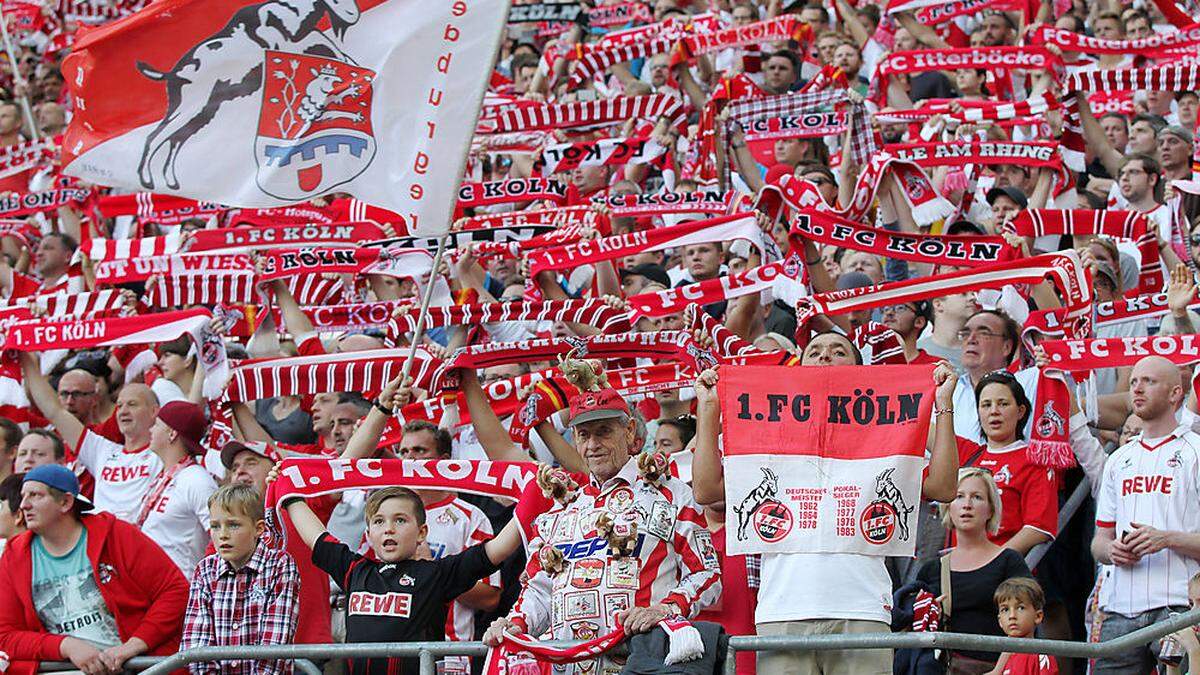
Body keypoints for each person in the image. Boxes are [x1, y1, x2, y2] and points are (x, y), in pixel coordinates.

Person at [692, 332, 960, 675]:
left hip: (862, 611)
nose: (824, 357)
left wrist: (941, 404)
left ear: (861, 370)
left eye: (838, 351)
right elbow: (706, 490)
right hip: (782, 611)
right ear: (797, 369)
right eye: (814, 352)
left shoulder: (885, 430)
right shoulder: (771, 430)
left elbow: (943, 487)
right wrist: (708, 405)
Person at [484, 361, 722, 675]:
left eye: (604, 432)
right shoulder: (560, 508)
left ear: (630, 431)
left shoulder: (673, 493)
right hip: (567, 665)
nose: (593, 444)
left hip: (641, 662)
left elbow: (708, 575)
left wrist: (664, 609)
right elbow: (540, 590)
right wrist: (515, 623)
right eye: (584, 434)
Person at [282, 482, 523, 675]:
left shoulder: (437, 573)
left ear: (422, 533)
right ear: (368, 534)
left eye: (400, 520)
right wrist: (287, 490)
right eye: (379, 521)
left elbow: (498, 549)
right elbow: (315, 536)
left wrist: (534, 496)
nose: (389, 528)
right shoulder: (354, 569)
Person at [0, 465, 189, 675]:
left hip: (132, 667)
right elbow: (6, 635)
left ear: (66, 502)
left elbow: (175, 591)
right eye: (23, 496)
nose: (24, 505)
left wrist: (133, 646)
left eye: (35, 495)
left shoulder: (116, 535)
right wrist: (66, 646)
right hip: (62, 669)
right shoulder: (14, 556)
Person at [1091, 356, 1200, 674]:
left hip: (1183, 606)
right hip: (1119, 608)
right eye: (1134, 381)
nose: (1137, 388)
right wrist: (1111, 551)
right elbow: (1099, 541)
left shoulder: (1196, 451)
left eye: (1149, 381)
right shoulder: (1118, 459)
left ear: (1175, 393)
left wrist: (1166, 538)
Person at [21, 351, 162, 522]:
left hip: (142, 541)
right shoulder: (101, 451)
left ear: (155, 411)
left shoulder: (165, 455)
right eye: (119, 405)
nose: (123, 411)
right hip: (104, 542)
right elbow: (55, 411)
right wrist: (27, 361)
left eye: (132, 404)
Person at [917, 468, 1032, 673]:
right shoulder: (931, 569)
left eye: (977, 497)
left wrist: (998, 671)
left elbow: (1025, 626)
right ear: (948, 507)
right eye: (959, 497)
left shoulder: (1009, 561)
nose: (967, 505)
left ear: (990, 509)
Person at [181, 483, 300, 675]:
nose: (223, 535)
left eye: (233, 524)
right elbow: (196, 645)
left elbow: (275, 645)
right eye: (215, 526)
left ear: (259, 529)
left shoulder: (279, 565)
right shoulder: (205, 570)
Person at [957, 372, 1057, 555]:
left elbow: (1038, 528)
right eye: (986, 405)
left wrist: (995, 562)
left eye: (1003, 404)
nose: (994, 411)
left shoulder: (1035, 460)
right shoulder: (969, 453)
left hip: (1006, 576)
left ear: (1020, 411)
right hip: (959, 567)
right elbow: (922, 429)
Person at [140, 401, 217, 573]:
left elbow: (220, 535)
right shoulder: (163, 477)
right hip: (153, 585)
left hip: (182, 587)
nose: (150, 430)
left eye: (157, 424)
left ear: (172, 433)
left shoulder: (197, 480)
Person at [993, 578, 1058, 675]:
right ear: (1000, 621)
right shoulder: (1004, 660)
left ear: (1038, 616)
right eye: (1005, 609)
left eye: (1020, 608)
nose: (1012, 616)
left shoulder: (1042, 655)